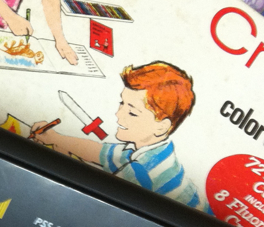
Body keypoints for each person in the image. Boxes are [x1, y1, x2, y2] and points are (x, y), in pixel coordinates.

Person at [31, 61, 205, 209]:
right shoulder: (154, 149)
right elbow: (100, 152)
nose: (118, 114)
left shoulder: (141, 171)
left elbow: (93, 197)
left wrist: (60, 157)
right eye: (122, 103)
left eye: (132, 112)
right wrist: (55, 138)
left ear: (161, 127)